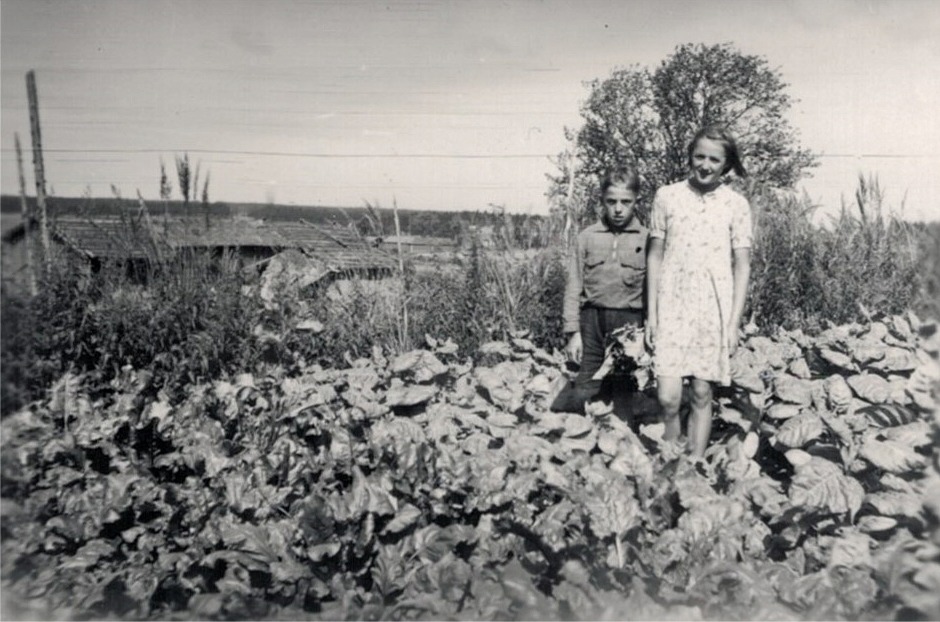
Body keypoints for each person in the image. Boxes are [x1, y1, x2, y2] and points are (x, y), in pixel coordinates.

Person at [645, 126, 753, 457]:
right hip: (673, 303)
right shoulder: (667, 196)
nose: (705, 165)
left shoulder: (736, 204)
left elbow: (742, 265)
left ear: (727, 165)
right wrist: (652, 314)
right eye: (699, 156)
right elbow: (655, 255)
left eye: (714, 159)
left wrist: (733, 322)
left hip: (713, 307)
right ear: (690, 156)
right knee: (668, 396)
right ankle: (673, 454)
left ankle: (693, 466)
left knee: (703, 392)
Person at [552, 167, 649, 413]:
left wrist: (650, 328)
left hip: (629, 322)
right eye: (611, 202)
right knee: (585, 385)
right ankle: (579, 443)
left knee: (624, 389)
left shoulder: (647, 239)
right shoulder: (587, 237)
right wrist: (572, 331)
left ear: (636, 200)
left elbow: (655, 290)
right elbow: (574, 285)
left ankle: (623, 444)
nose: (618, 209)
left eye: (625, 202)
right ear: (602, 201)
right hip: (591, 321)